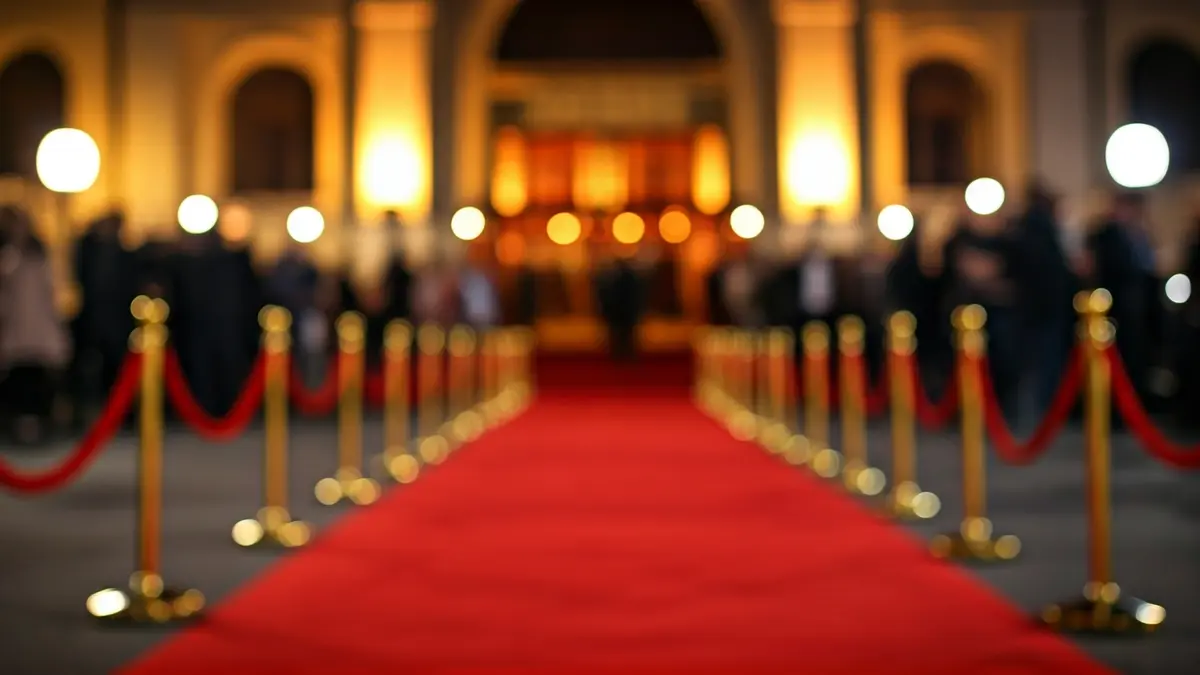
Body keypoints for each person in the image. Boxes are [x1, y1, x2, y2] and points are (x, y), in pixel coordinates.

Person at [0, 207, 71, 444]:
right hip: (15, 327)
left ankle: (40, 424)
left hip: (39, 326)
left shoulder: (40, 256)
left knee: (40, 379)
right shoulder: (8, 255)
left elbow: (51, 291)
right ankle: (20, 425)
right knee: (18, 380)